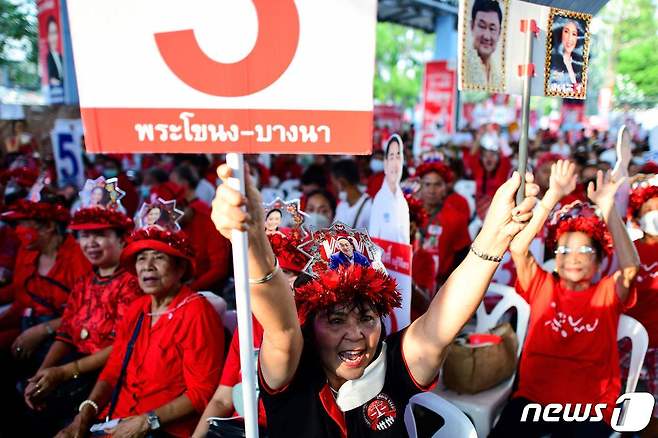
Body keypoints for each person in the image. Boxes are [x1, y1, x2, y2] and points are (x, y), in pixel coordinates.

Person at [211, 162, 538, 437]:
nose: (355, 334)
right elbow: (280, 326)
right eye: (336, 320)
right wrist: (252, 239)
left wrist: (494, 239)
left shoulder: (391, 364)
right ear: (309, 324)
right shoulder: (292, 370)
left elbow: (441, 324)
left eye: (367, 318)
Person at [492, 161, 640, 437]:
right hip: (533, 400)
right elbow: (518, 246)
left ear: (598, 261)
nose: (572, 257)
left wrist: (607, 206)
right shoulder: (541, 284)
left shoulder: (607, 292)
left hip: (589, 408)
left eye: (584, 249)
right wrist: (552, 196)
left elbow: (631, 267)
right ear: (555, 259)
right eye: (563, 250)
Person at [57, 223, 225, 438]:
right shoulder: (138, 307)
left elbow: (202, 392)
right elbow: (113, 370)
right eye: (141, 258)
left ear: (180, 268)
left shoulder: (196, 311)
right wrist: (84, 414)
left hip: (165, 428)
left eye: (159, 257)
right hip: (114, 421)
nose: (148, 266)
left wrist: (148, 420)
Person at [22, 195, 140, 436]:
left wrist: (64, 372)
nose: (91, 243)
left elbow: (121, 347)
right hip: (76, 369)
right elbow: (65, 334)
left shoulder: (132, 284)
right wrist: (41, 375)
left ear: (121, 238)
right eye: (84, 236)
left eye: (100, 235)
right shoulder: (84, 283)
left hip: (110, 374)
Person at [193, 231, 309, 438]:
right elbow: (222, 399)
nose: (274, 285)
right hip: (237, 428)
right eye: (269, 276)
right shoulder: (248, 323)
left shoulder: (313, 327)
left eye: (287, 274)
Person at [620, 179, 658, 437]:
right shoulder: (629, 252)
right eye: (648, 210)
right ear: (637, 215)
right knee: (627, 405)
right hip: (631, 345)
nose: (655, 215)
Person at [416, 162, 471, 286]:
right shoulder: (408, 215)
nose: (432, 190)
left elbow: (463, 261)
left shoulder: (456, 218)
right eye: (427, 184)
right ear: (420, 186)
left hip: (441, 288)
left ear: (445, 187)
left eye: (437, 185)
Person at [369, 135, 410, 243]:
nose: (395, 164)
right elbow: (373, 243)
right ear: (386, 163)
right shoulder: (380, 199)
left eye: (398, 157)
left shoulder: (402, 202)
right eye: (391, 157)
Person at [464, 0, 504, 89]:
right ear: (472, 26)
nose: (486, 36)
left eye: (492, 28)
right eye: (482, 26)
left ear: (499, 32)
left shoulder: (498, 75)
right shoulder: (463, 66)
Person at [548, 19, 585, 96]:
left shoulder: (580, 65)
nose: (570, 38)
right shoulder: (551, 62)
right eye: (566, 32)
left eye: (574, 34)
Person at [332, 159, 372, 230]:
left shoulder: (369, 207)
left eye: (334, 184)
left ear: (342, 183)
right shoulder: (341, 206)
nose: (333, 188)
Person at [46, 16, 63, 87]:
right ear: (48, 36)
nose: (54, 37)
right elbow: (51, 79)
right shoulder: (48, 57)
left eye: (55, 33)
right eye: (51, 33)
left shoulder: (61, 56)